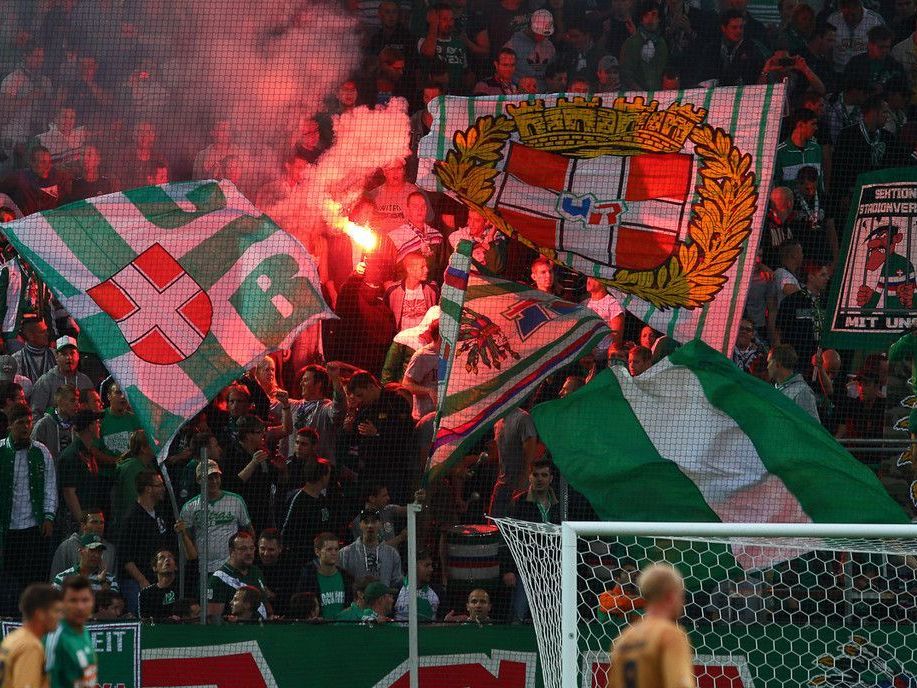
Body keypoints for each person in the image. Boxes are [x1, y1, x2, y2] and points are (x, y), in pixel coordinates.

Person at [0, 403, 56, 617]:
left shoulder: (42, 452)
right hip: (8, 529)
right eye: (20, 423)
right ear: (10, 426)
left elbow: (50, 485)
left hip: (34, 527)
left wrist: (49, 516)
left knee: (33, 577)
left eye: (28, 422)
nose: (26, 427)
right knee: (9, 578)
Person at [118, 469, 196, 616]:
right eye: (159, 485)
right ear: (148, 489)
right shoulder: (132, 518)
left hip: (159, 580)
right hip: (137, 581)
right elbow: (125, 557)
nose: (163, 489)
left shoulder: (160, 513)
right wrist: (142, 581)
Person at [607, 564, 694, 688]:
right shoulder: (669, 634)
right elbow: (679, 684)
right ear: (670, 596)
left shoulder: (624, 638)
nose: (682, 602)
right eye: (681, 595)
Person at [346, 371, 415, 502]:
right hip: (370, 471)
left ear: (371, 387)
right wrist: (349, 427)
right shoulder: (364, 408)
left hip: (392, 470)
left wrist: (378, 433)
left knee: (391, 508)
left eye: (361, 395)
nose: (360, 399)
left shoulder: (395, 401)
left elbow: (406, 432)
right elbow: (356, 436)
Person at [180, 459, 252, 574]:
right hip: (204, 570)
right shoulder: (189, 507)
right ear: (199, 480)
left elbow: (249, 532)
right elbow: (186, 541)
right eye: (209, 478)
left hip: (232, 567)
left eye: (216, 477)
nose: (214, 481)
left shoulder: (235, 501)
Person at [0, 584, 61, 688]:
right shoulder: (31, 647)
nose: (60, 616)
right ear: (40, 614)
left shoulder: (13, 637)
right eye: (56, 611)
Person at [776, 261, 830, 376]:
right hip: (797, 362)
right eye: (822, 275)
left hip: (821, 363)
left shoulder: (828, 304)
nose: (827, 278)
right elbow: (778, 331)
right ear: (811, 277)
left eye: (827, 275)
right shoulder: (792, 301)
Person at [57, 410, 108, 528]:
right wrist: (82, 523)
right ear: (90, 426)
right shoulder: (71, 455)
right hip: (77, 524)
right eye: (96, 422)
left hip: (89, 517)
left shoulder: (87, 452)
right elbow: (69, 493)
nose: (99, 425)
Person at [45, 576, 97, 688]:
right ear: (62, 603)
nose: (80, 607)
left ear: (93, 601)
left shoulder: (83, 631)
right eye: (73, 600)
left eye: (85, 600)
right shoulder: (55, 637)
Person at [280, 458, 333, 566]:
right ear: (322, 476)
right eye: (329, 474)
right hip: (299, 561)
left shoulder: (322, 499)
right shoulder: (297, 499)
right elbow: (284, 531)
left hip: (319, 560)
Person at [489, 406, 539, 518]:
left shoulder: (523, 418)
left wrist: (523, 482)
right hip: (502, 484)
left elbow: (531, 447)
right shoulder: (497, 421)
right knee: (495, 525)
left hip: (519, 485)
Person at [206, 532, 268, 622]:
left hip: (261, 630)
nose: (249, 553)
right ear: (232, 551)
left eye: (251, 548)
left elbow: (263, 602)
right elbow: (213, 619)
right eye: (243, 549)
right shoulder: (218, 579)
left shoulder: (256, 571)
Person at [29, 336, 93, 417]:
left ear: (78, 356)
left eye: (72, 353)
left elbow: (92, 409)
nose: (69, 358)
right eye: (64, 354)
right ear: (56, 357)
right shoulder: (45, 381)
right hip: (54, 428)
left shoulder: (85, 381)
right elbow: (35, 413)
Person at [339, 508, 403, 588]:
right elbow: (340, 584)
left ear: (380, 524)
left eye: (373, 522)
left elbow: (397, 584)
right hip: (357, 599)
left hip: (384, 599)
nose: (370, 525)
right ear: (360, 525)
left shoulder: (392, 553)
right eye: (366, 522)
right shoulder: (345, 553)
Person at [298, 532, 354, 619]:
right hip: (319, 630)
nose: (334, 553)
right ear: (317, 551)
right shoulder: (308, 579)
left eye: (336, 549)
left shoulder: (346, 577)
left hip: (344, 629)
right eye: (329, 549)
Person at [0, 147, 69, 218]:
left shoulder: (58, 177)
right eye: (43, 162)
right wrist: (2, 213)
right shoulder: (19, 178)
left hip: (50, 221)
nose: (48, 167)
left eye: (49, 162)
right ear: (31, 162)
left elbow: (66, 202)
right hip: (25, 222)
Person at [50, 509, 115, 581]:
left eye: (102, 523)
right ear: (83, 525)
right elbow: (55, 575)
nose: (99, 526)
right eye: (94, 522)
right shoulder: (66, 546)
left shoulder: (110, 549)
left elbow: (113, 580)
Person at [384, 253, 439, 332]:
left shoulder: (432, 288)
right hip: (401, 340)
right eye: (422, 267)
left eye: (426, 266)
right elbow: (385, 317)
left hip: (425, 340)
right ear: (409, 270)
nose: (427, 270)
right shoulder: (392, 291)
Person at [620, 1, 669, 90]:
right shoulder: (630, 43)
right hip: (635, 98)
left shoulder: (662, 44)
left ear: (659, 18)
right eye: (646, 15)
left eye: (653, 14)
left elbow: (662, 73)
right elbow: (626, 74)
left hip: (658, 97)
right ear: (641, 20)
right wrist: (641, 93)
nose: (650, 19)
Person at [504, 9, 556, 91]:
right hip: (519, 93)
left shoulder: (549, 46)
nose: (542, 37)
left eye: (545, 35)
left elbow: (552, 74)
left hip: (543, 95)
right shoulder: (512, 44)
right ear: (530, 27)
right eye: (539, 34)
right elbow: (505, 74)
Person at [767, 344, 820, 420]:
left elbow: (812, 427)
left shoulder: (802, 392)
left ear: (777, 364)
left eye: (769, 362)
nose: (767, 366)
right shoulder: (773, 390)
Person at [51, 533, 117, 592]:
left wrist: (103, 582)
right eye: (92, 550)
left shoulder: (110, 579)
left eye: (99, 551)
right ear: (81, 551)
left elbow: (113, 604)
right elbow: (54, 604)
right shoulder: (62, 577)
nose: (96, 555)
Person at [402, 320, 439, 421]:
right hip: (423, 418)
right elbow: (406, 384)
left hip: (443, 416)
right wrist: (429, 391)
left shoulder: (453, 354)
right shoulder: (422, 355)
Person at [256, 529, 299, 617]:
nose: (266, 553)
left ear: (280, 549)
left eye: (271, 549)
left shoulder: (292, 566)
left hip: (285, 615)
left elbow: (294, 598)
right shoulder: (253, 563)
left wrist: (274, 595)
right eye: (262, 548)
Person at [30, 384, 78, 460]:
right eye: (72, 400)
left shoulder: (79, 425)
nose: (77, 404)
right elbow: (34, 453)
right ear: (60, 402)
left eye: (77, 401)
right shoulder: (43, 425)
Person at [394, 549, 441, 621]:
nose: (431, 569)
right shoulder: (397, 589)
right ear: (413, 566)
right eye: (427, 565)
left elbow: (442, 621)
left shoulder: (438, 591)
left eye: (431, 565)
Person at [138, 549, 180, 621]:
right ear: (155, 568)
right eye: (162, 558)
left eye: (170, 557)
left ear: (176, 567)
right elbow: (145, 620)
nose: (167, 559)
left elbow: (193, 560)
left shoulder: (182, 585)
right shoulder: (145, 593)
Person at [12, 318, 55, 385]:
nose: (47, 334)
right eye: (42, 332)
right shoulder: (17, 359)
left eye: (46, 330)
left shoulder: (55, 354)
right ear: (30, 336)